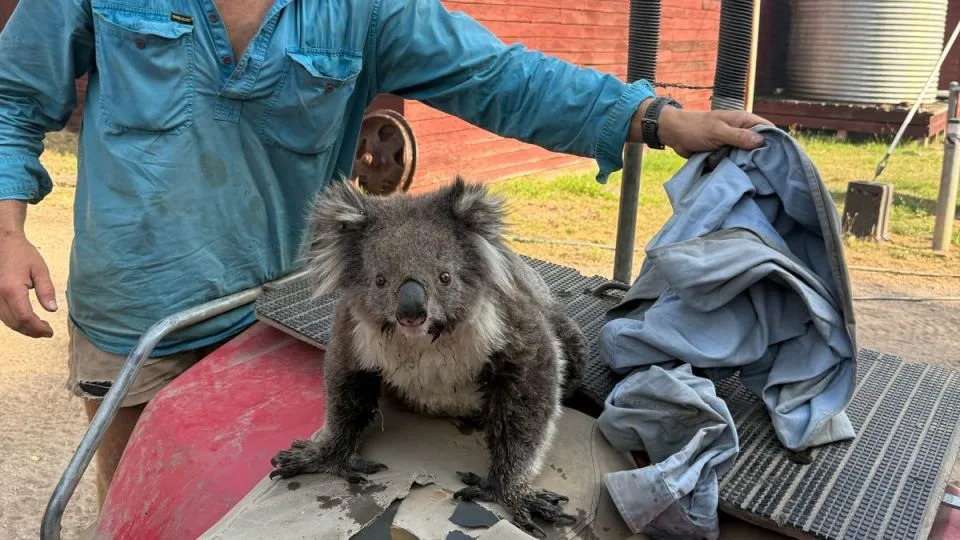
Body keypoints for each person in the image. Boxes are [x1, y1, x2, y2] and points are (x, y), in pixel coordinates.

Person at [0, 0, 770, 508]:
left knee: (260, 495)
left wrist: (652, 117)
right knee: (141, 490)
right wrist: (7, 231)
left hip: (284, 306)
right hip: (139, 303)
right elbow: (12, 96)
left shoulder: (364, 7)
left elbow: (501, 77)